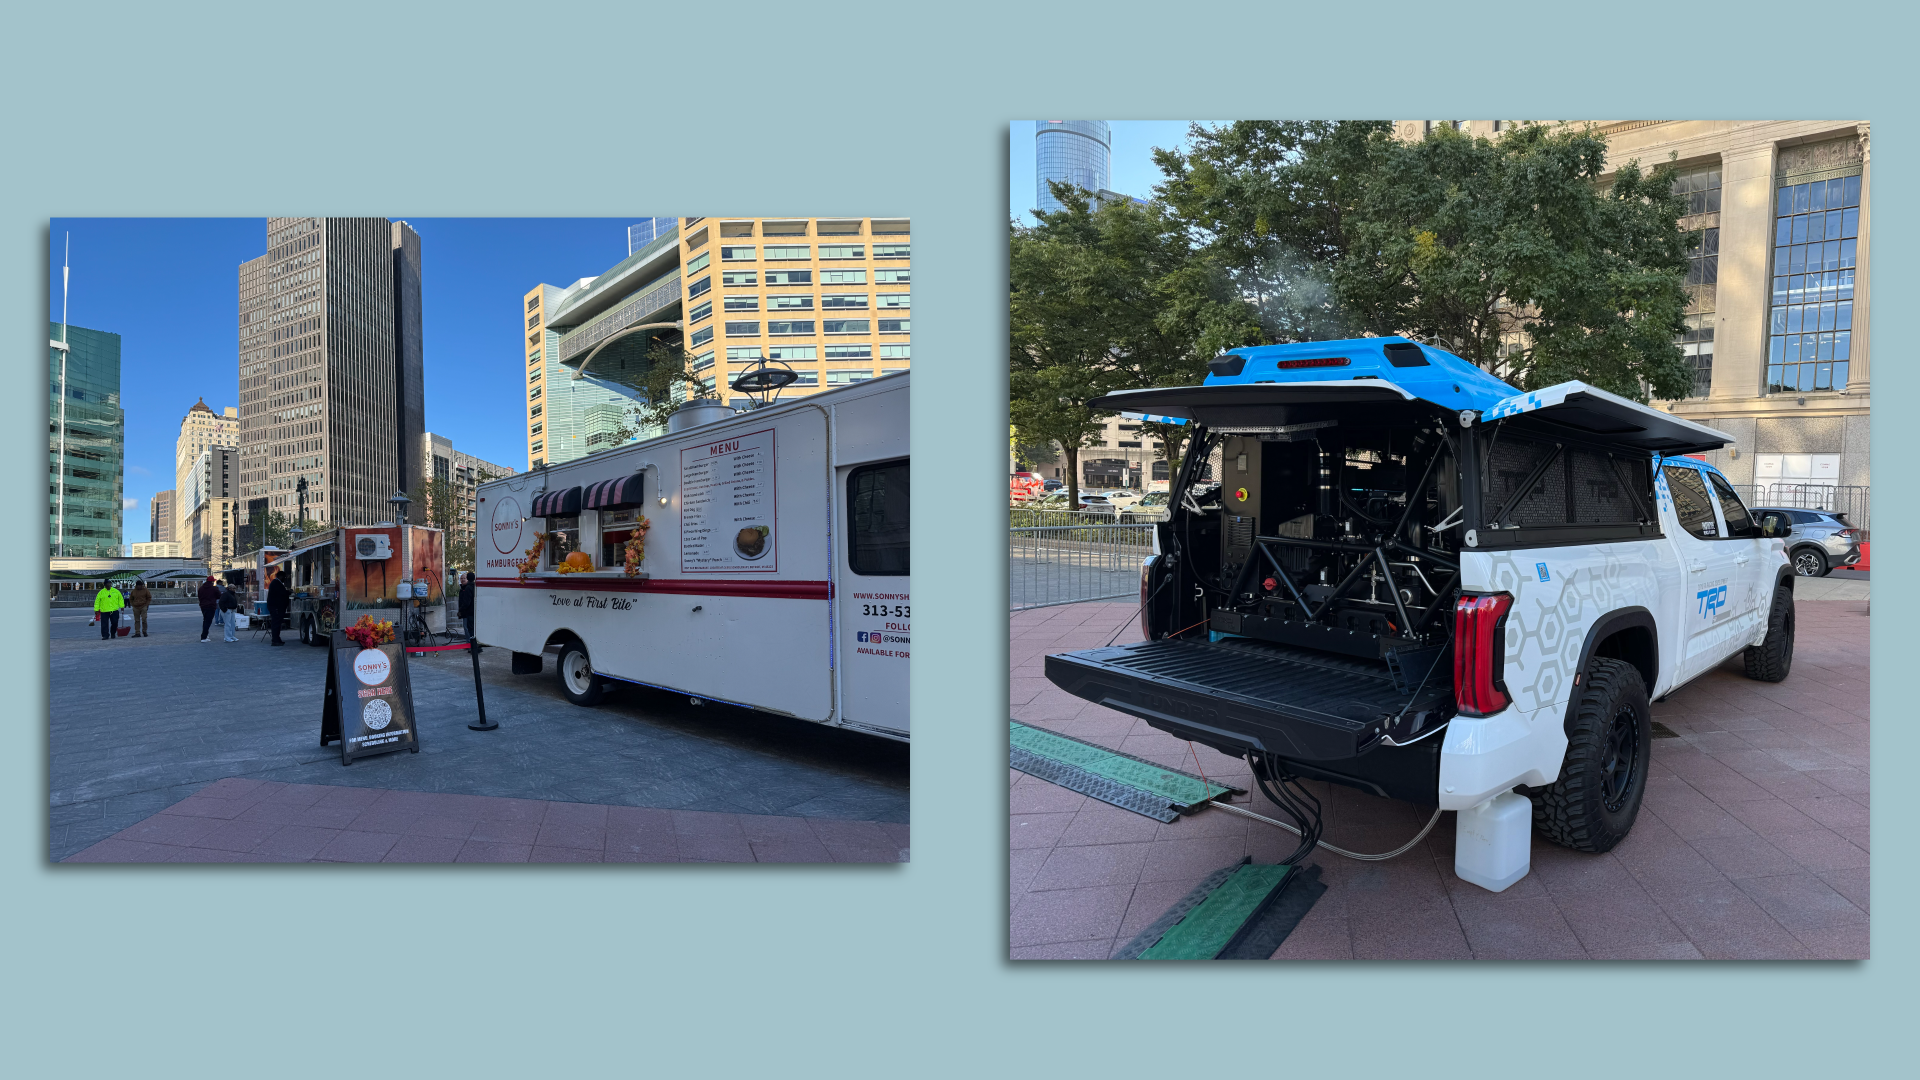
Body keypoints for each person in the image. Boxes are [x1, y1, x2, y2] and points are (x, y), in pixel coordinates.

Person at [267, 570, 290, 646]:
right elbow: (281, 593)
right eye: (284, 577)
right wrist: (288, 592)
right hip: (276, 607)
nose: (285, 578)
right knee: (276, 624)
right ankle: (275, 640)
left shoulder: (276, 583)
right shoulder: (276, 583)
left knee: (277, 623)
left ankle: (277, 639)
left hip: (276, 607)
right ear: (280, 576)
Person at [197, 575, 221, 642]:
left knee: (205, 620)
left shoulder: (201, 588)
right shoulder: (214, 588)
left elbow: (199, 596)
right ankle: (204, 637)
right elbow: (219, 596)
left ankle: (205, 634)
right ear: (212, 581)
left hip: (203, 606)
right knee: (208, 621)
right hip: (211, 606)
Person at [457, 571, 475, 641]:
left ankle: (470, 643)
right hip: (467, 611)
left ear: (467, 579)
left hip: (468, 611)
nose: (463, 579)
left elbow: (467, 602)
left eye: (464, 578)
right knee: (467, 627)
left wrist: (461, 609)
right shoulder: (463, 588)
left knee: (468, 627)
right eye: (461, 578)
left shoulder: (468, 588)